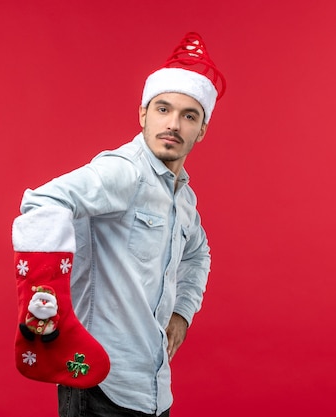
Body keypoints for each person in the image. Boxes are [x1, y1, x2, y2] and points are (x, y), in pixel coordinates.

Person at [12, 32, 226, 416]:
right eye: (163, 109)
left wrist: (182, 314)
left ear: (202, 129)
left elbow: (199, 254)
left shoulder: (184, 198)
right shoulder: (124, 171)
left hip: (151, 385)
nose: (173, 124)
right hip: (98, 384)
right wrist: (49, 310)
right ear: (143, 113)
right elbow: (42, 201)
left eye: (188, 115)